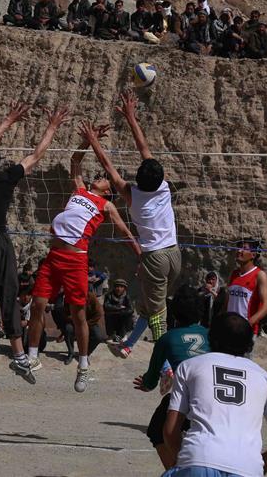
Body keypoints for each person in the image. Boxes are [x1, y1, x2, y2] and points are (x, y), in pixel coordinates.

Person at [0, 101, 69, 392]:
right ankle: (20, 355)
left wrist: (8, 120)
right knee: (9, 296)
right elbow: (37, 155)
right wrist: (52, 126)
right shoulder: (5, 179)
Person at [27, 132, 141, 391]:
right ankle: (32, 359)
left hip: (76, 260)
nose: (99, 177)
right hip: (54, 256)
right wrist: (88, 141)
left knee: (79, 314)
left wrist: (139, 252)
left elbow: (123, 230)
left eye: (103, 178)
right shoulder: (79, 190)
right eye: (99, 176)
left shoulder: (106, 205)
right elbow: (75, 160)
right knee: (38, 304)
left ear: (108, 190)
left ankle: (83, 366)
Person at [81, 91, 180, 358]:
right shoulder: (164, 188)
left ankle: (166, 363)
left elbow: (107, 165)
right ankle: (128, 345)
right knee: (150, 308)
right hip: (174, 254)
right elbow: (144, 148)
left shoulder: (132, 195)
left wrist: (92, 141)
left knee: (158, 312)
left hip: (155, 258)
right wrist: (131, 117)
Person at [163, 313, 267, 476]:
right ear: (249, 343)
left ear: (211, 337)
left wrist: (182, 458)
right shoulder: (265, 378)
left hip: (200, 456)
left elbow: (170, 430)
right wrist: (263, 461)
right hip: (248, 468)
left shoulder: (189, 366)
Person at [134, 286, 210, 469]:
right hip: (213, 395)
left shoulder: (167, 339)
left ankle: (176, 470)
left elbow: (152, 380)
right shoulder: (210, 334)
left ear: (174, 311)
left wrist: (146, 383)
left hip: (188, 397)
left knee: (156, 430)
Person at [214, 239, 267, 347]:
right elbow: (227, 303)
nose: (239, 251)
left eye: (244, 248)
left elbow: (266, 307)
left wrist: (247, 324)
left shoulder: (259, 275)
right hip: (229, 329)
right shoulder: (234, 274)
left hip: (245, 331)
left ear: (253, 254)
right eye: (238, 248)